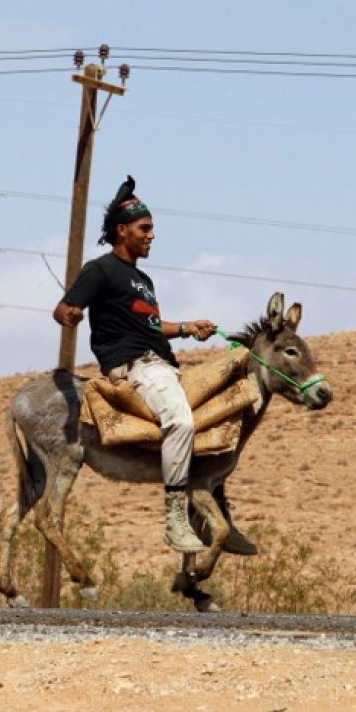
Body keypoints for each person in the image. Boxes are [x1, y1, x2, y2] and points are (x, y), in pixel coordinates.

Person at [53, 175, 217, 554]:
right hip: (135, 367)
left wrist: (189, 328)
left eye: (152, 228)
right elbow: (63, 307)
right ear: (121, 231)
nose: (152, 235)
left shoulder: (143, 279)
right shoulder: (101, 270)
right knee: (180, 421)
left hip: (162, 364)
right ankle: (176, 519)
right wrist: (70, 315)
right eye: (145, 228)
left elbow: (151, 325)